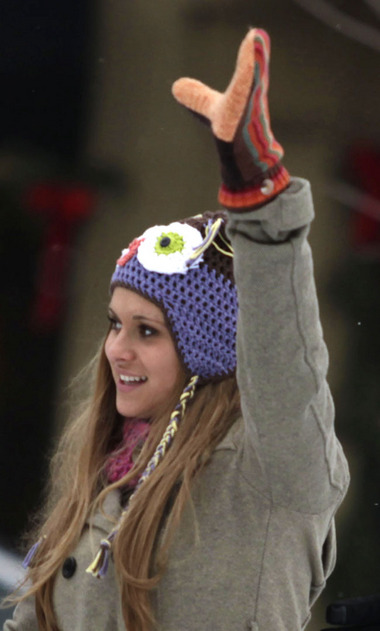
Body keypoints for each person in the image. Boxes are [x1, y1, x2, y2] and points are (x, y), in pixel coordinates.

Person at [4, 28, 349, 631]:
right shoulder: (110, 472)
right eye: (115, 324)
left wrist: (260, 205)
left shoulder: (270, 468)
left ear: (209, 345)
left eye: (148, 331)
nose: (117, 350)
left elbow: (283, 355)